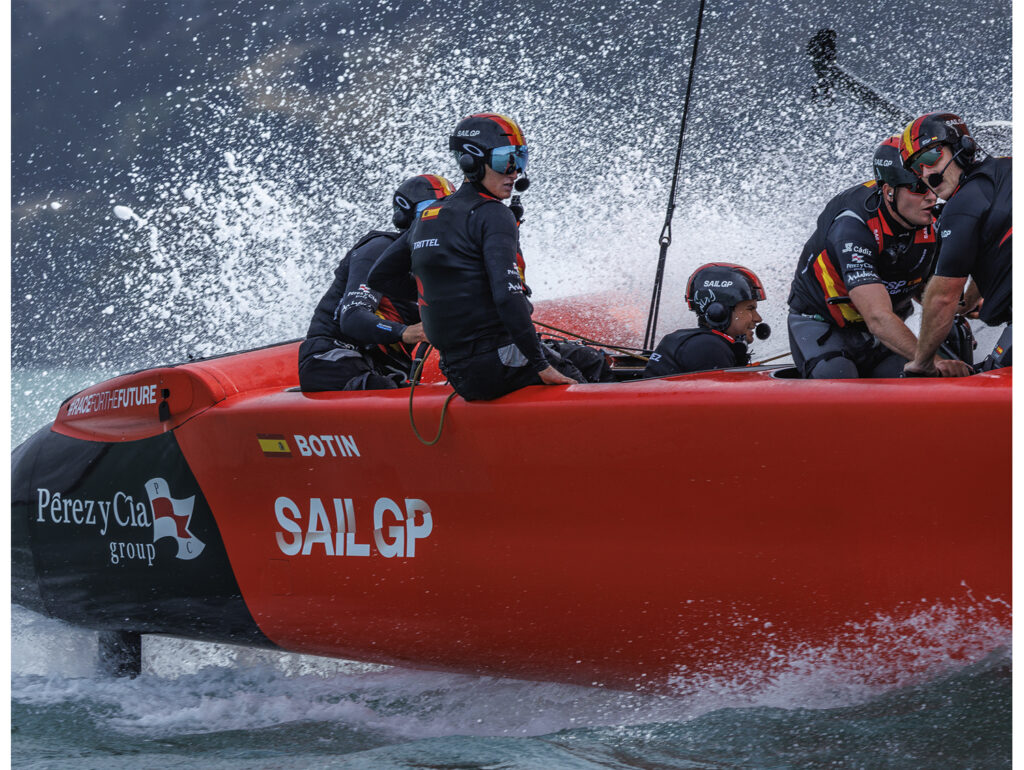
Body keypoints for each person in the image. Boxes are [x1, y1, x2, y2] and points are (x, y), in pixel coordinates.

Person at [368, 112, 591, 401]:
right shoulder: (494, 214)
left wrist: (449, 292)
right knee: (589, 367)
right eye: (505, 161)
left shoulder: (427, 217)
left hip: (459, 372)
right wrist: (540, 365)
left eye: (520, 159)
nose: (515, 173)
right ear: (470, 162)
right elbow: (509, 298)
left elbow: (380, 276)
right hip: (499, 366)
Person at [786, 136, 971, 378]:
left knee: (954, 335)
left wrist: (973, 304)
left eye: (932, 184)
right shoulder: (852, 226)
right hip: (823, 324)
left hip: (882, 333)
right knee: (838, 376)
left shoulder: (934, 220)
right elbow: (877, 316)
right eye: (917, 188)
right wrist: (931, 361)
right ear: (889, 192)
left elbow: (930, 291)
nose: (931, 197)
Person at [298, 174, 454, 391]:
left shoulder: (444, 266)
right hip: (333, 359)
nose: (437, 223)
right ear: (406, 219)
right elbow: (352, 317)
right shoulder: (378, 249)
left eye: (448, 215)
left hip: (384, 367)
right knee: (386, 389)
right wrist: (407, 332)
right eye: (429, 213)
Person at [899, 112, 1012, 375]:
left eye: (930, 157)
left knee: (990, 384)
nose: (927, 173)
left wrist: (923, 362)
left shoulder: (961, 207)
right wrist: (970, 302)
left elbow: (942, 297)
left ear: (963, 147)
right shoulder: (1006, 169)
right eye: (917, 168)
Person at [643, 263, 766, 377]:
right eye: (750, 309)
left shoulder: (692, 341)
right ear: (718, 312)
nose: (758, 318)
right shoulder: (708, 348)